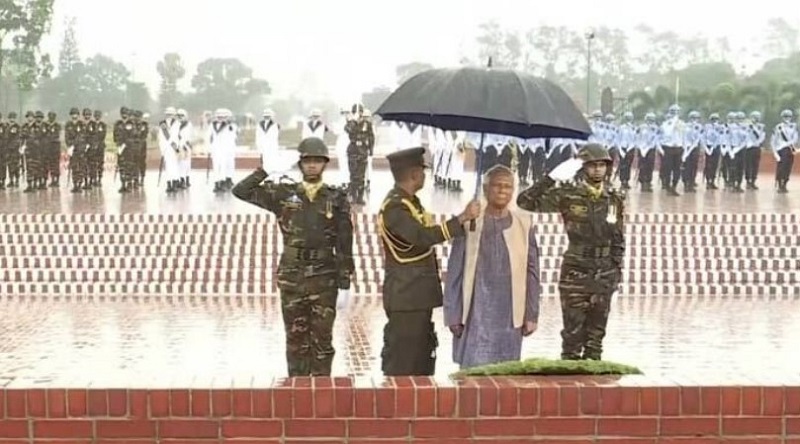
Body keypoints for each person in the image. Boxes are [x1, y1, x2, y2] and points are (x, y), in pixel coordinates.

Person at [231, 137, 353, 376]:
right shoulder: (283, 194)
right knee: (295, 340)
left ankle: (321, 390)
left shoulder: (336, 198)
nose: (312, 165)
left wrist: (345, 280)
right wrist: (265, 170)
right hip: (292, 275)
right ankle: (297, 390)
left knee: (322, 341)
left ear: (325, 164)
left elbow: (345, 241)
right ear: (300, 163)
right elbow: (240, 191)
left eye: (317, 160)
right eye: (307, 160)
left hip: (324, 276)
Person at [516, 143, 625, 361]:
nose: (598, 170)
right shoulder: (568, 194)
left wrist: (616, 270)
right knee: (572, 337)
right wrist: (550, 178)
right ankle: (571, 377)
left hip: (604, 272)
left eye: (602, 165)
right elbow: (525, 202)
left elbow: (618, 236)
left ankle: (593, 378)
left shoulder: (614, 197)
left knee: (596, 338)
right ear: (582, 167)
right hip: (576, 271)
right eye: (592, 165)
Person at [378, 146, 481, 376]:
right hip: (406, 296)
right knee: (404, 362)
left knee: (421, 357)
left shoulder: (410, 202)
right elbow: (421, 237)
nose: (424, 176)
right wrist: (462, 218)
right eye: (422, 171)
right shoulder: (395, 207)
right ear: (414, 174)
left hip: (416, 296)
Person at [444, 164, 540, 369]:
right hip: (475, 314)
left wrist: (531, 314)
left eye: (508, 186)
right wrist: (453, 314)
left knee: (506, 374)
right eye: (497, 185)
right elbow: (454, 272)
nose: (503, 190)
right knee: (473, 374)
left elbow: (532, 272)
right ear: (486, 189)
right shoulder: (470, 222)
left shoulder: (524, 224)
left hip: (510, 315)